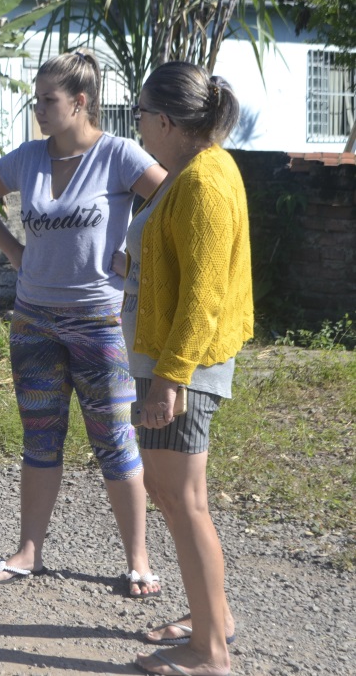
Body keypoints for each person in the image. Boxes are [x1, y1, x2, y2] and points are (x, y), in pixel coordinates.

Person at [0, 50, 167, 593]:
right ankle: (29, 551)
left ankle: (138, 560)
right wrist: (13, 252)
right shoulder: (26, 158)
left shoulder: (118, 156)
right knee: (40, 436)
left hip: (98, 322)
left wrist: (137, 256)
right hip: (33, 323)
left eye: (48, 100)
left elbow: (176, 201)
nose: (39, 110)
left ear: (80, 102)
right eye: (36, 99)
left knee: (115, 440)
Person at [123, 62, 252, 676]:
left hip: (181, 367)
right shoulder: (196, 171)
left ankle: (209, 653)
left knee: (181, 497)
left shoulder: (202, 181)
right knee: (178, 495)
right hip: (174, 359)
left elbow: (202, 296)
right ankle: (213, 622)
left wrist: (170, 380)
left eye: (141, 113)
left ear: (167, 120)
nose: (139, 124)